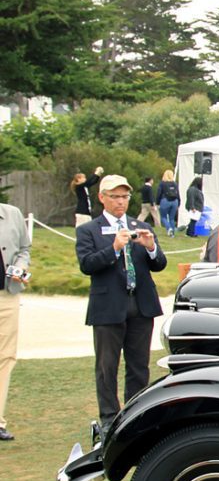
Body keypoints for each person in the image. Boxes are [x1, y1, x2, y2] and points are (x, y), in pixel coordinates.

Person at [76, 174, 167, 439]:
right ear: (102, 198)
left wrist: (151, 248)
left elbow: (158, 264)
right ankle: (108, 419)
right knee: (107, 366)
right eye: (115, 196)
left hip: (141, 304)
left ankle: (136, 415)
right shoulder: (89, 230)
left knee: (139, 366)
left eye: (125, 196)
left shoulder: (139, 225)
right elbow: (87, 264)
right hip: (108, 306)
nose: (120, 202)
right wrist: (114, 248)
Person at [0, 201, 32, 441]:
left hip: (6, 296)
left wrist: (19, 267)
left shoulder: (12, 214)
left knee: (5, 357)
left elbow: (24, 249)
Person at [157, 169, 180, 237]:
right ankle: (172, 234)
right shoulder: (175, 184)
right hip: (175, 201)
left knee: (163, 217)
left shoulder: (162, 183)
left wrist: (157, 202)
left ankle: (168, 228)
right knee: (171, 218)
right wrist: (179, 203)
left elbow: (159, 193)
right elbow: (178, 194)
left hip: (165, 200)